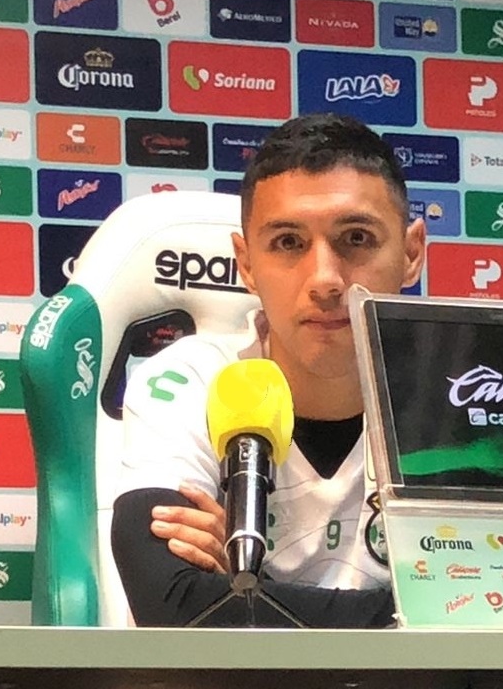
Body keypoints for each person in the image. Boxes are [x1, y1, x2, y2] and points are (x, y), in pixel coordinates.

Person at [111, 113, 426, 627]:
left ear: (411, 253)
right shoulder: (189, 380)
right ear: (246, 263)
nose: (325, 280)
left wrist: (246, 592)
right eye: (288, 243)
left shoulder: (466, 390)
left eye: (356, 238)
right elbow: (168, 604)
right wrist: (420, 609)